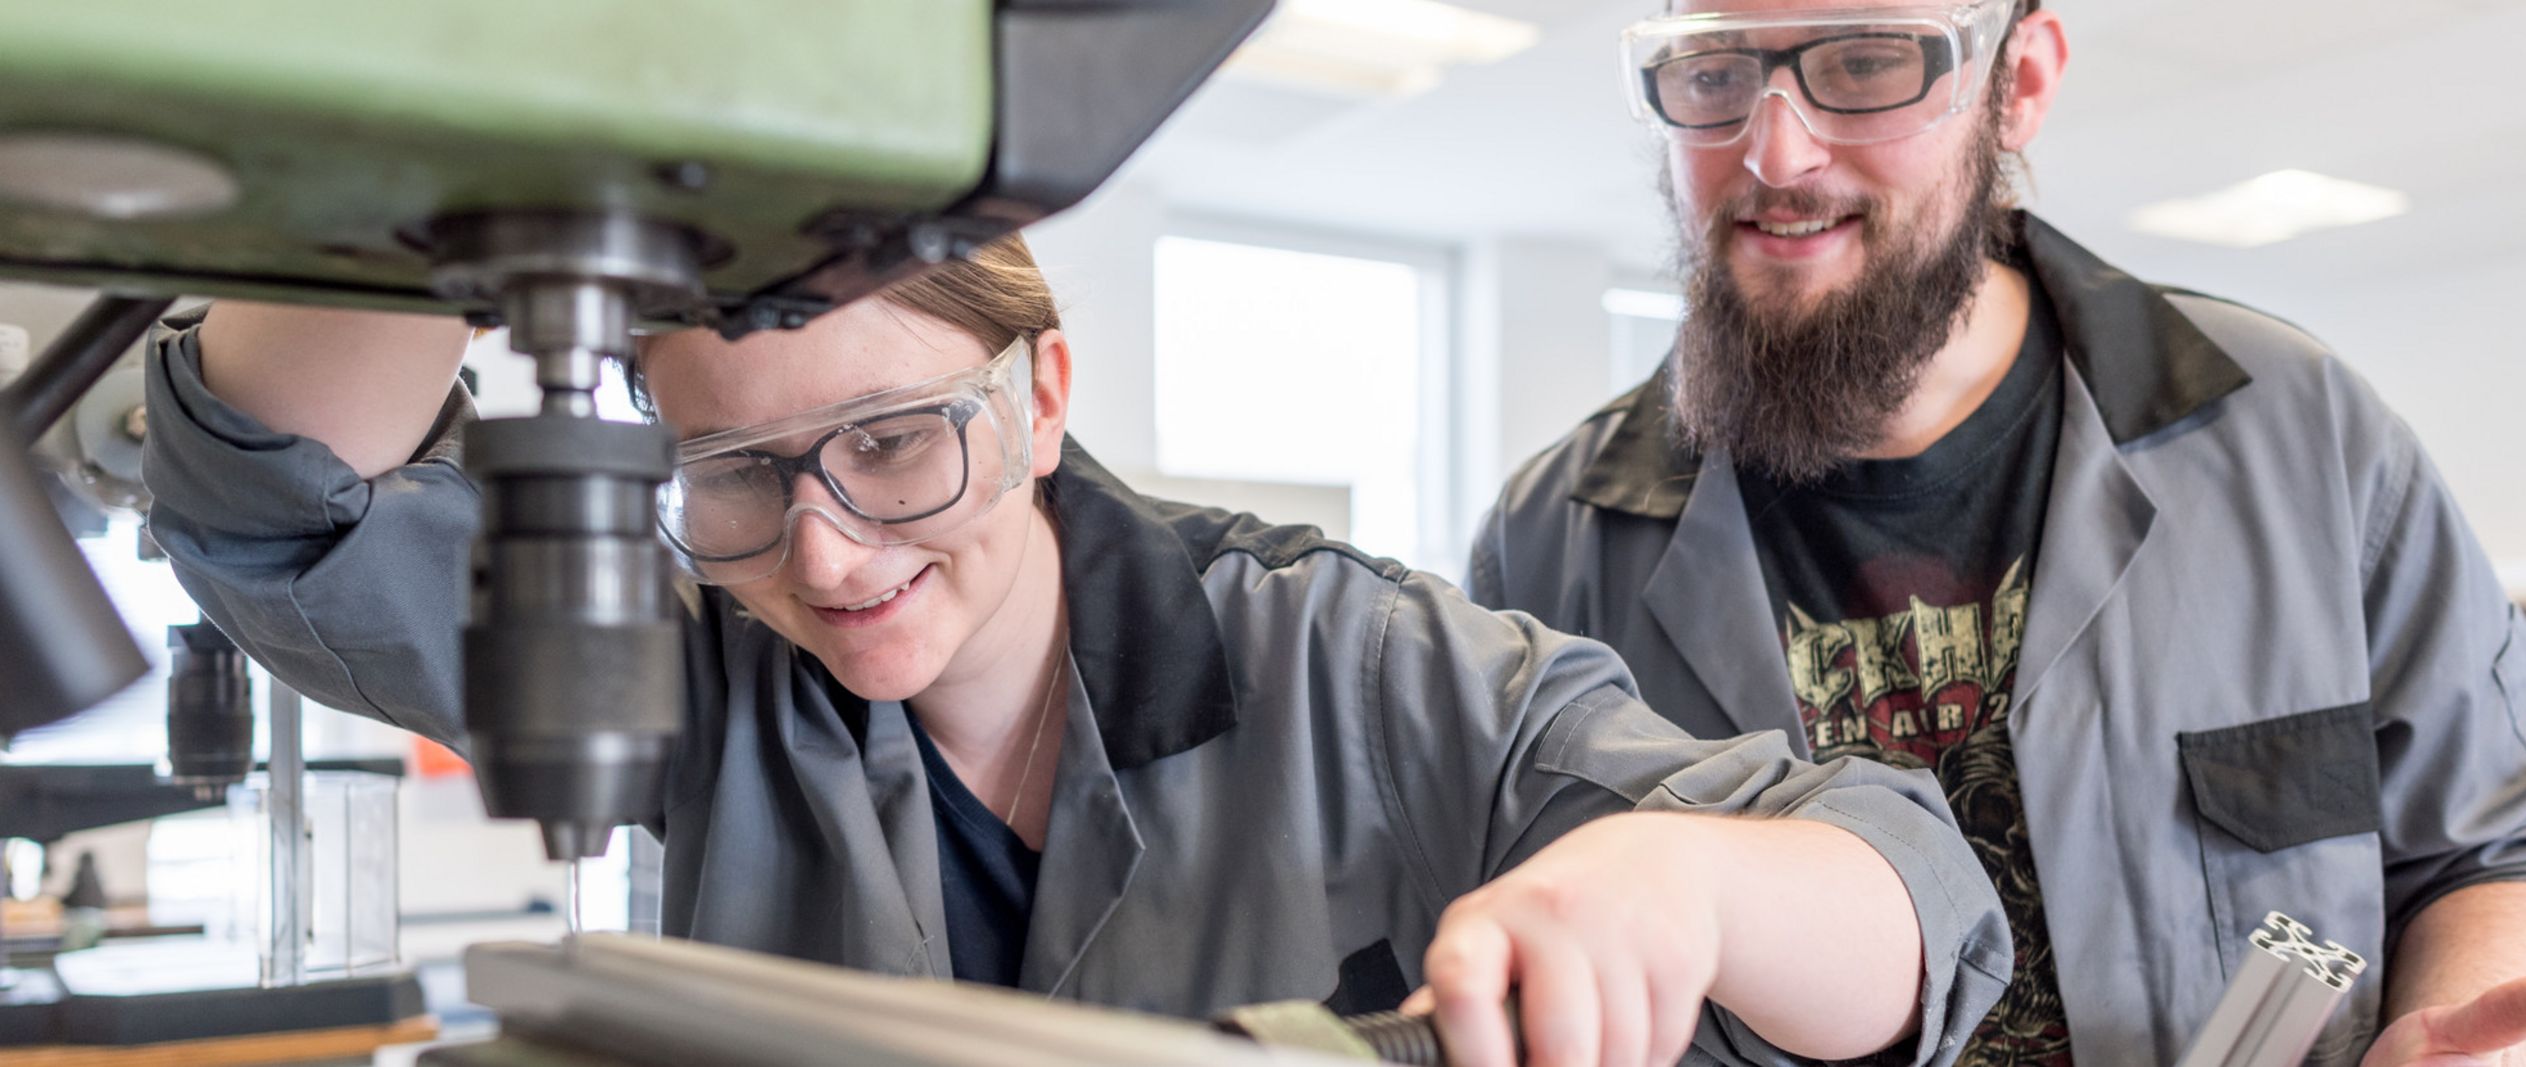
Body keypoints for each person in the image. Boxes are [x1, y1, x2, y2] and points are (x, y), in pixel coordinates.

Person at [142, 235, 2008, 1067]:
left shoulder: (1341, 657)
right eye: (733, 474)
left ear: (1040, 388)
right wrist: (481, 182)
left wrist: (1676, 873)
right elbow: (274, 498)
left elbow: (1906, 899)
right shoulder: (696, 649)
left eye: (892, 443)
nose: (824, 547)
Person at [1468, 1, 2526, 1064]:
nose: (1776, 153)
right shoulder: (1548, 544)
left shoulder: (2295, 431)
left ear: (2018, 80)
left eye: (1864, 65)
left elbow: (2507, 840)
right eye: (1713, 74)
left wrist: (2473, 1035)